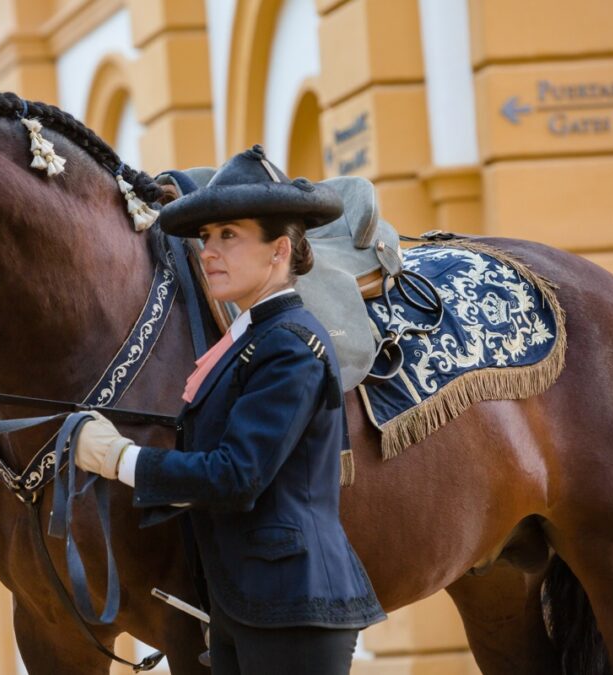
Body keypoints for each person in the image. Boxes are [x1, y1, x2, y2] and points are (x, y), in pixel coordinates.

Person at [75, 145, 385, 675]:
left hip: (295, 608)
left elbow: (236, 474)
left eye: (230, 236)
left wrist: (119, 459)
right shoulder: (251, 338)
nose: (209, 252)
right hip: (244, 604)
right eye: (206, 238)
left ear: (279, 251)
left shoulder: (287, 343)